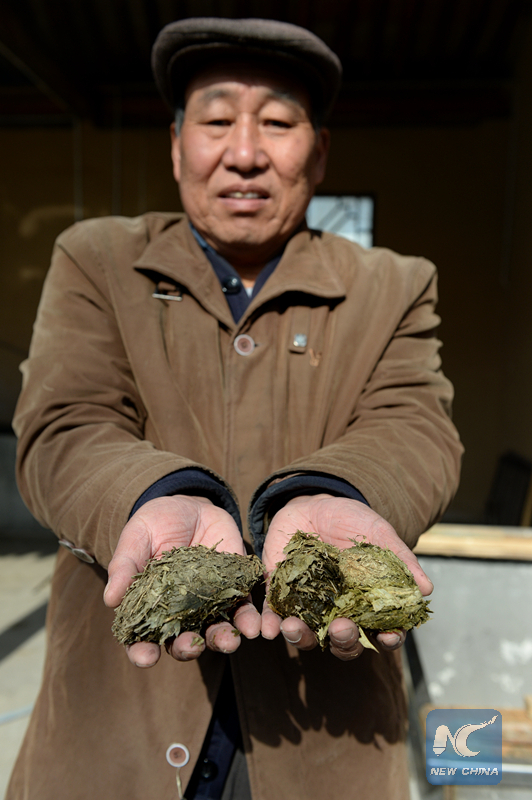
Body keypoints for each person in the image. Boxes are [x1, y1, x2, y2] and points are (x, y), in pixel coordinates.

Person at [8, 17, 462, 800]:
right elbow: (65, 424)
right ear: (175, 145)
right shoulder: (96, 260)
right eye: (217, 121)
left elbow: (416, 425)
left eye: (278, 124)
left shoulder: (394, 284)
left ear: (319, 151)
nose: (245, 152)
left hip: (326, 725)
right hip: (115, 727)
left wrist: (332, 493)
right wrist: (152, 497)